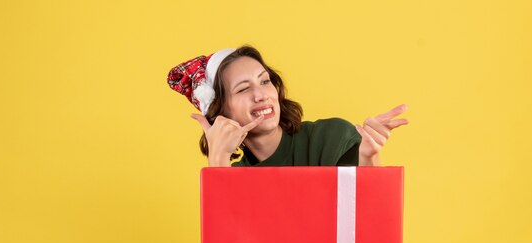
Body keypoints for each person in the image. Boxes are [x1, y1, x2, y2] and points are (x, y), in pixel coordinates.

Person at [167, 46, 408, 167]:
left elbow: (366, 220)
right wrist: (218, 159)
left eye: (264, 81)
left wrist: (369, 158)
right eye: (243, 89)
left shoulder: (331, 139)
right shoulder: (237, 176)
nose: (261, 95)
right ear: (220, 112)